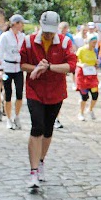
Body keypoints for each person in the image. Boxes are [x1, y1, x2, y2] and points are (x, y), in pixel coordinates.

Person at [20, 11, 77, 188]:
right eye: (45, 30)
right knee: (37, 126)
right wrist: (37, 68)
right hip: (34, 89)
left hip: (55, 91)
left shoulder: (66, 42)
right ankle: (33, 170)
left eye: (51, 31)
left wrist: (50, 67)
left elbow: (72, 66)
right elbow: (22, 64)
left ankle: (41, 160)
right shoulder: (29, 41)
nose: (48, 34)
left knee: (48, 128)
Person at [0, 14, 27, 130]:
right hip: (8, 67)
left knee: (19, 93)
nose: (22, 26)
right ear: (15, 24)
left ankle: (17, 116)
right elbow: (0, 53)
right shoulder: (5, 36)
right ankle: (8, 118)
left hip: (19, 68)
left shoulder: (22, 36)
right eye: (21, 23)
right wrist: (1, 68)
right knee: (8, 94)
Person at [76, 34, 100, 121]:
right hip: (83, 76)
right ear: (89, 42)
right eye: (93, 42)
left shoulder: (95, 51)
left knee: (95, 95)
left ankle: (90, 109)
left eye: (95, 43)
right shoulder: (81, 50)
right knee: (84, 96)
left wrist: (97, 64)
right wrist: (81, 65)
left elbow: (96, 63)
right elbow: (75, 62)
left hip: (92, 76)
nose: (94, 44)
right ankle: (81, 113)